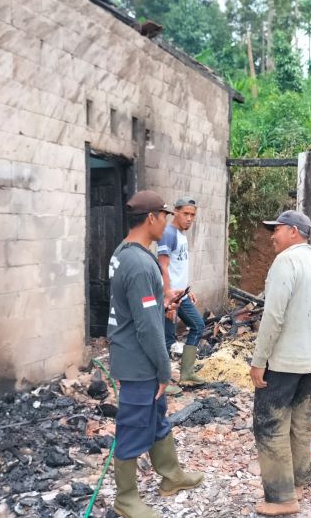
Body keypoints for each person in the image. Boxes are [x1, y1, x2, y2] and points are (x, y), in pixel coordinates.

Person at [107, 190, 203, 518]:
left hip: (137, 354)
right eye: (164, 216)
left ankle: (171, 475)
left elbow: (139, 310)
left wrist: (162, 306)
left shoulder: (125, 252)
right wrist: (165, 370)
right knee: (134, 425)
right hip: (138, 362)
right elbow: (147, 330)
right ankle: (126, 498)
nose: (168, 222)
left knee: (157, 416)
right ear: (151, 218)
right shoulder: (138, 262)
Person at [249, 210, 311, 516]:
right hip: (308, 360)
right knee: (299, 423)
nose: (273, 235)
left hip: (282, 361)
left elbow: (273, 316)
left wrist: (259, 360)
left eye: (277, 229)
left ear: (294, 232)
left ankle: (281, 498)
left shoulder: (286, 261)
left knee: (269, 425)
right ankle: (297, 481)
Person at [158, 196, 205, 395]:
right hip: (170, 297)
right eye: (185, 214)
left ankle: (186, 374)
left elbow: (178, 267)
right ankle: (163, 381)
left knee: (198, 325)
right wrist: (168, 297)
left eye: (192, 215)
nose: (189, 219)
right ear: (175, 212)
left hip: (181, 295)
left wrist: (186, 290)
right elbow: (163, 267)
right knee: (167, 339)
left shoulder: (181, 235)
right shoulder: (168, 233)